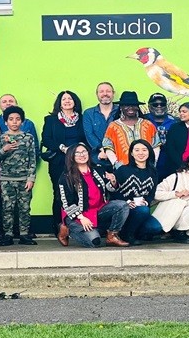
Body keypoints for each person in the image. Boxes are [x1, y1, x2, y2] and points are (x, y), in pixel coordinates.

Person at [57, 143, 130, 248]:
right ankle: (67, 229)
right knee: (95, 242)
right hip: (79, 215)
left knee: (122, 205)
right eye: (77, 153)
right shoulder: (66, 177)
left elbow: (109, 189)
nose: (82, 155)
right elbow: (66, 203)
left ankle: (112, 235)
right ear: (71, 156)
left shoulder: (98, 169)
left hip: (98, 210)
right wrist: (81, 218)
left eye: (84, 152)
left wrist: (113, 182)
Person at [41, 90, 87, 233]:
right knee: (59, 194)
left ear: (75, 102)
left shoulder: (82, 119)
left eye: (70, 99)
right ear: (59, 103)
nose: (67, 101)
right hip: (59, 162)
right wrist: (63, 148)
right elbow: (46, 139)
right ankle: (60, 227)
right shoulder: (51, 120)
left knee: (80, 193)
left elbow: (86, 138)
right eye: (64, 99)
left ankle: (80, 226)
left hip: (79, 161)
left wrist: (79, 149)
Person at [0, 105, 37, 246]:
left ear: (22, 121)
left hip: (24, 179)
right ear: (5, 122)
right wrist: (4, 149)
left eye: (18, 119)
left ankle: (24, 234)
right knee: (7, 208)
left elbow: (32, 159)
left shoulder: (27, 137)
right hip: (6, 179)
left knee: (24, 208)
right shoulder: (0, 138)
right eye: (11, 119)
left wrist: (31, 178)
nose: (14, 122)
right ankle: (8, 235)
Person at [112, 140, 163, 245]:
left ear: (149, 152)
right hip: (125, 210)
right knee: (143, 210)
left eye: (144, 150)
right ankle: (127, 234)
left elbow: (151, 193)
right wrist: (126, 202)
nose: (141, 153)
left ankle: (134, 233)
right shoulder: (123, 170)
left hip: (141, 208)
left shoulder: (153, 172)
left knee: (155, 227)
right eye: (137, 150)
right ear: (131, 153)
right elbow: (113, 192)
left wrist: (147, 201)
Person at [102, 91, 160, 169]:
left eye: (134, 105)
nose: (131, 108)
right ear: (121, 107)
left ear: (137, 107)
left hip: (147, 169)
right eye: (127, 105)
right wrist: (116, 164)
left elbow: (156, 145)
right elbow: (108, 147)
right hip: (123, 169)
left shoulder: (148, 125)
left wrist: (153, 162)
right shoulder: (113, 126)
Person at [82, 82, 117, 167]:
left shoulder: (121, 111)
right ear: (97, 94)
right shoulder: (88, 113)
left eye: (108, 91)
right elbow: (89, 135)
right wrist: (105, 151)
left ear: (113, 93)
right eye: (101, 91)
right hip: (98, 156)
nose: (105, 94)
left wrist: (111, 152)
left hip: (119, 154)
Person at [0, 94, 39, 158]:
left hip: (24, 164)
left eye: (11, 101)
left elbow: (35, 147)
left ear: (16, 104)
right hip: (2, 164)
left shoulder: (28, 123)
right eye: (4, 102)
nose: (8, 103)